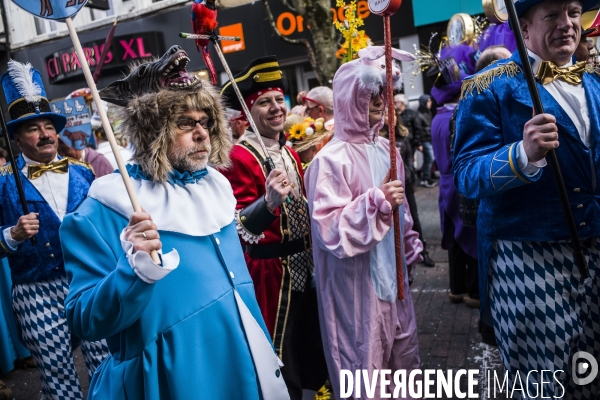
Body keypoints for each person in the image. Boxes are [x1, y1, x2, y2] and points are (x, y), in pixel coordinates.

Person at [62, 69, 290, 400]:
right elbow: (85, 320)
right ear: (153, 130)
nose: (201, 133)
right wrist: (133, 272)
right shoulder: (105, 208)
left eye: (206, 121)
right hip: (175, 381)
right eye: (185, 122)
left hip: (243, 366)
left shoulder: (215, 187)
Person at [454, 0, 600, 396]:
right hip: (528, 260)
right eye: (552, 15)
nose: (567, 24)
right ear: (525, 25)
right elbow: (466, 175)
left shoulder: (594, 82)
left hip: (595, 253)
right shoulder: (490, 85)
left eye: (572, 12)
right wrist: (522, 155)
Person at [305, 48, 423, 399]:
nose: (380, 100)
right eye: (373, 91)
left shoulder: (388, 149)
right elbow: (331, 231)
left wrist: (409, 241)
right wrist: (376, 203)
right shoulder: (329, 160)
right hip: (355, 293)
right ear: (349, 94)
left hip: (395, 287)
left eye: (386, 92)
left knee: (404, 370)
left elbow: (402, 215)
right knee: (364, 375)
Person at [219, 56, 327, 400]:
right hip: (269, 272)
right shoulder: (238, 156)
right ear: (247, 112)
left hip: (304, 265)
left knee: (309, 344)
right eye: (264, 102)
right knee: (278, 352)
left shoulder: (289, 151)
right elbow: (235, 225)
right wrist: (266, 204)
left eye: (279, 99)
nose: (276, 108)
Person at [0, 60, 109, 400]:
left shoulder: (83, 172)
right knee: (58, 374)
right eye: (34, 129)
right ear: (17, 137)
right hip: (37, 291)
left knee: (106, 362)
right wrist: (12, 235)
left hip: (89, 281)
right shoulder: (3, 184)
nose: (46, 134)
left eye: (49, 126)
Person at [429, 44, 479, 307]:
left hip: (445, 183)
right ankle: (473, 291)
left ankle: (456, 287)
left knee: (455, 239)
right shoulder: (457, 115)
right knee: (469, 235)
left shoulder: (438, 116)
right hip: (459, 182)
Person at [379, 113, 435, 268]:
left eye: (394, 113)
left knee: (413, 219)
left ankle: (422, 252)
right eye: (386, 114)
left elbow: (410, 158)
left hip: (405, 185)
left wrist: (407, 173)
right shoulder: (379, 140)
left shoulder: (403, 136)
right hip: (387, 187)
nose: (392, 116)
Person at [414, 94, 437, 188]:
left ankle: (421, 172)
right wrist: (419, 143)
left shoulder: (428, 112)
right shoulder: (418, 114)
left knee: (430, 158)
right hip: (424, 140)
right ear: (424, 102)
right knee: (430, 158)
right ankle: (425, 179)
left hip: (429, 139)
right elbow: (418, 129)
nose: (430, 103)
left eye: (430, 101)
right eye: (428, 101)